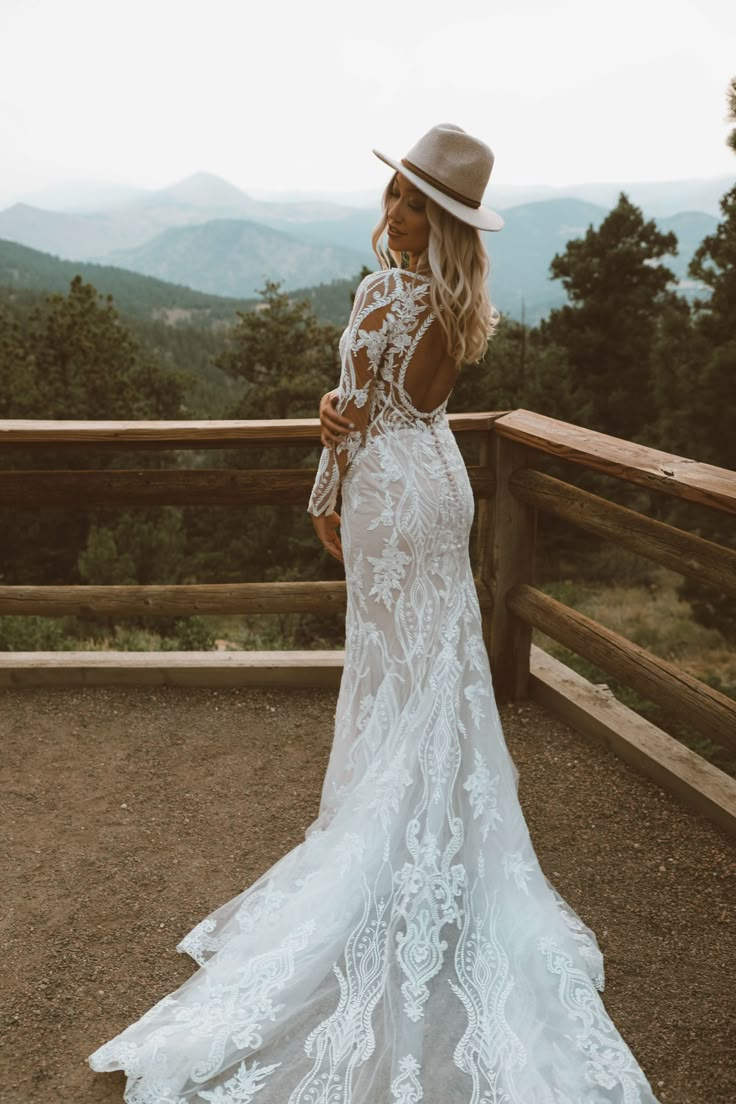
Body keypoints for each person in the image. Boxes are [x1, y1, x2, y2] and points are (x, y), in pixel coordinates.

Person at [88, 124, 661, 1103]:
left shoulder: (381, 294)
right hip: (440, 482)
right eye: (393, 194)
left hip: (390, 493)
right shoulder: (455, 300)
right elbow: (419, 401)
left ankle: (390, 880)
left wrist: (321, 487)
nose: (390, 214)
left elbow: (351, 415)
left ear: (435, 222)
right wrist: (346, 419)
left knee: (396, 681)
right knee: (436, 677)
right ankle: (433, 873)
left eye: (409, 203)